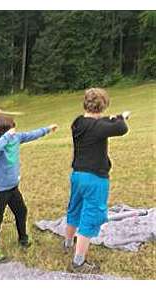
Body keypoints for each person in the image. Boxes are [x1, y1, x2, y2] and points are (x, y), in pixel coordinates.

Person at [64, 88, 130, 274]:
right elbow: (122, 128)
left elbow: (98, 122)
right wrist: (121, 116)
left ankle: (68, 243)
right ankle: (78, 263)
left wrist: (112, 117)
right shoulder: (100, 127)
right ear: (102, 106)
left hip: (77, 175)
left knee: (74, 208)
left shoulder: (77, 122)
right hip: (95, 179)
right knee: (91, 216)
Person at [0, 115, 58, 262]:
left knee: (21, 211)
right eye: (11, 128)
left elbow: (31, 134)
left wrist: (47, 129)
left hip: (13, 187)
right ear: (3, 131)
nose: (14, 130)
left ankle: (23, 238)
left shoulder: (16, 137)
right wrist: (7, 136)